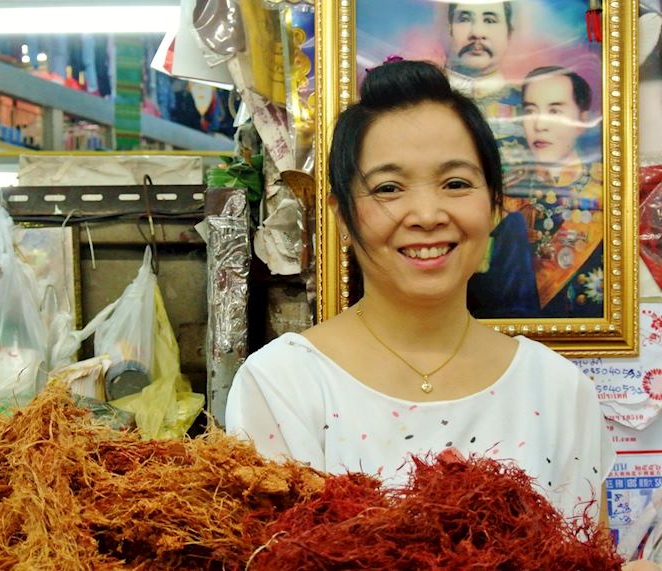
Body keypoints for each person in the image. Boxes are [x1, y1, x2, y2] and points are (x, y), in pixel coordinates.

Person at [226, 61, 614, 525]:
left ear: (494, 205)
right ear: (343, 217)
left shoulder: (558, 391)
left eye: (456, 184)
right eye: (389, 188)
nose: (427, 214)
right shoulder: (283, 385)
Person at [506, 66, 604, 317]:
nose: (539, 124)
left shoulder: (610, 187)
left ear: (582, 122)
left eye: (555, 111)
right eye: (530, 112)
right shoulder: (508, 192)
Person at [444, 2, 523, 144]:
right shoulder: (424, 99)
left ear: (509, 32)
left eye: (489, 20)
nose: (477, 33)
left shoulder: (527, 106)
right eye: (465, 19)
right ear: (449, 28)